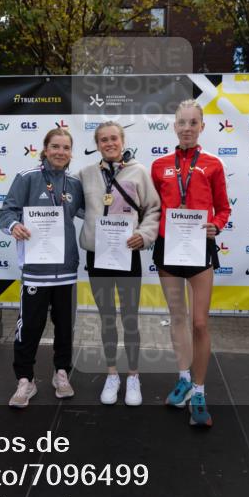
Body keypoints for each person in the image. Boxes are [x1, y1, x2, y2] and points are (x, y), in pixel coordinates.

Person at [150, 99, 231, 427]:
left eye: (193, 123)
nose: (187, 128)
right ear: (174, 126)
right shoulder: (159, 165)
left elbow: (224, 208)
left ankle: (199, 390)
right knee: (177, 318)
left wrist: (217, 226)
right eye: (181, 122)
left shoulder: (213, 164)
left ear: (201, 126)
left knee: (200, 323)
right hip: (169, 248)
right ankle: (183, 378)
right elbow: (153, 208)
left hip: (199, 249)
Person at [0, 128, 85, 408]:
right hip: (36, 269)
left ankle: (62, 373)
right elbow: (6, 212)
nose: (61, 152)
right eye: (55, 146)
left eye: (66, 147)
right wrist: (14, 225)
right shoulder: (28, 178)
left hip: (66, 269)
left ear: (71, 152)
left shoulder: (74, 183)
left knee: (65, 327)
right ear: (45, 149)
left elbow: (92, 213)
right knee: (30, 327)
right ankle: (25, 380)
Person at [77, 121, 160, 405]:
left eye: (113, 138)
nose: (109, 143)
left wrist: (144, 235)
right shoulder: (86, 174)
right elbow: (75, 206)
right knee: (107, 318)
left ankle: (133, 376)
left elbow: (153, 209)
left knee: (130, 317)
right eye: (103, 139)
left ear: (122, 141)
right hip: (97, 256)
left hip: (127, 254)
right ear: (97, 144)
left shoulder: (139, 172)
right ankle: (112, 374)